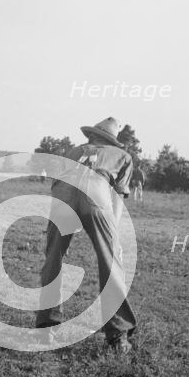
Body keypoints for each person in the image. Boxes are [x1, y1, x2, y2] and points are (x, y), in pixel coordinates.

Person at [36, 117, 138, 353]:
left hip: (62, 199)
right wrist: (115, 234)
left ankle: (46, 328)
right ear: (112, 140)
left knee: (53, 261)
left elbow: (57, 182)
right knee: (110, 263)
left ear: (92, 136)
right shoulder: (123, 156)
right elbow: (117, 197)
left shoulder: (73, 150)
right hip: (95, 198)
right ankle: (117, 335)